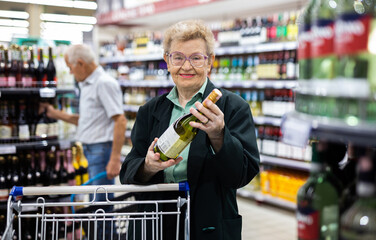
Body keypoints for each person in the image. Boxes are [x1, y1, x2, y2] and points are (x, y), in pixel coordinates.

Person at [119, 19, 260, 240]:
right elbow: (127, 172)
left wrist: (219, 135)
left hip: (209, 223)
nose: (186, 66)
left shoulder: (233, 107)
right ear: (167, 61)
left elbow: (242, 174)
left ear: (210, 61)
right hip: (156, 224)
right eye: (178, 57)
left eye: (196, 58)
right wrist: (147, 166)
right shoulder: (149, 111)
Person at [39, 44, 127, 238]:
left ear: (80, 63)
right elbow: (84, 120)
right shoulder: (87, 84)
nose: (69, 71)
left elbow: (120, 120)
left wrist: (114, 159)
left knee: (101, 205)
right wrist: (54, 113)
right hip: (90, 150)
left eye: (70, 67)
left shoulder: (103, 83)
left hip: (101, 151)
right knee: (97, 203)